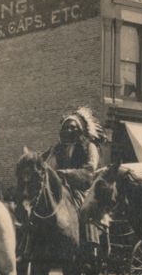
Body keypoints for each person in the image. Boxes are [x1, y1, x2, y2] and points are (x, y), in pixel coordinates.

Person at [43, 107, 107, 266]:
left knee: (86, 210)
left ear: (80, 129)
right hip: (60, 185)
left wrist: (67, 173)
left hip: (81, 187)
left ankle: (90, 246)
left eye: (73, 127)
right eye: (66, 127)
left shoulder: (89, 146)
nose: (69, 130)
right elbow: (48, 165)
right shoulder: (57, 148)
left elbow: (90, 170)